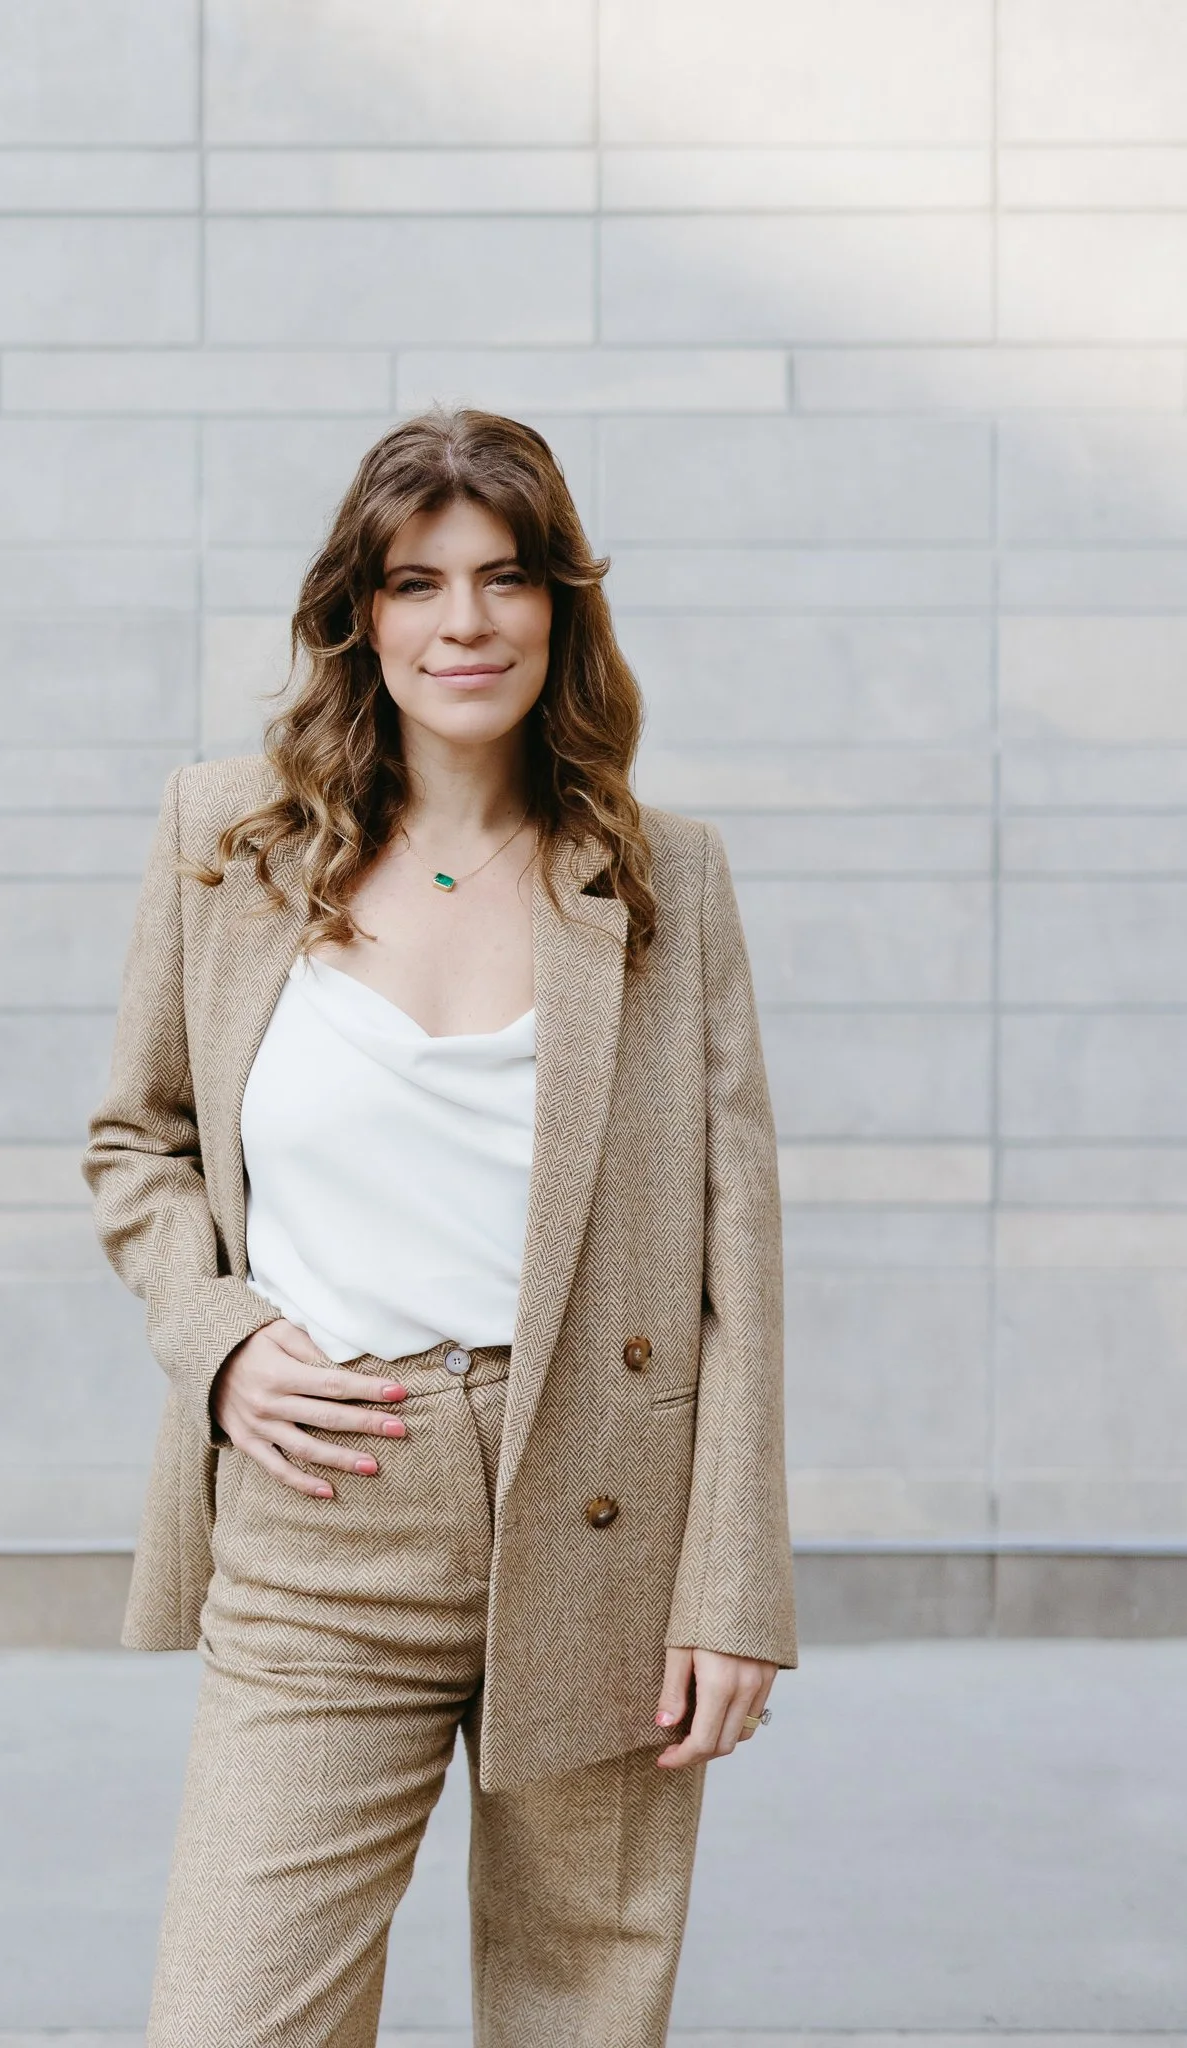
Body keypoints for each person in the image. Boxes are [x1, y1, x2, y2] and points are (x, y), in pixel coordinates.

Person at [82, 406, 797, 2047]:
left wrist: (733, 1587)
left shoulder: (662, 881)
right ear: (362, 613)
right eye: (417, 584)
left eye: (503, 578)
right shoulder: (228, 844)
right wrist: (221, 1338)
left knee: (577, 2010)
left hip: (608, 1501)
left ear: (561, 607)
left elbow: (733, 1254)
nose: (463, 623)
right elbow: (138, 1139)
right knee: (234, 2015)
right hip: (332, 1496)